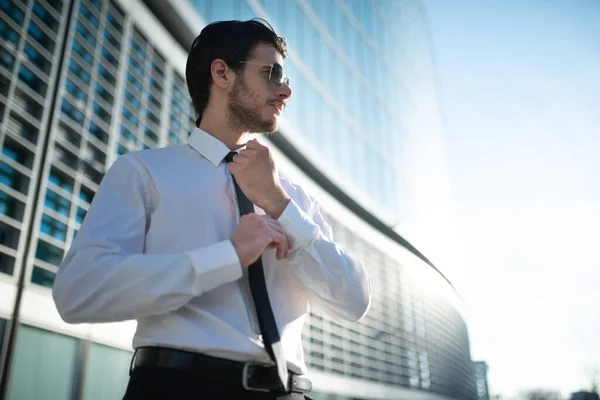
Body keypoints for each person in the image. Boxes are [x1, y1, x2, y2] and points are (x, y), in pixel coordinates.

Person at [53, 19, 371, 400]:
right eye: (273, 73)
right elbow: (78, 292)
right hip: (178, 389)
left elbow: (355, 302)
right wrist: (227, 257)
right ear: (222, 72)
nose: (285, 90)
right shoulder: (144, 173)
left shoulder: (294, 199)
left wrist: (279, 206)